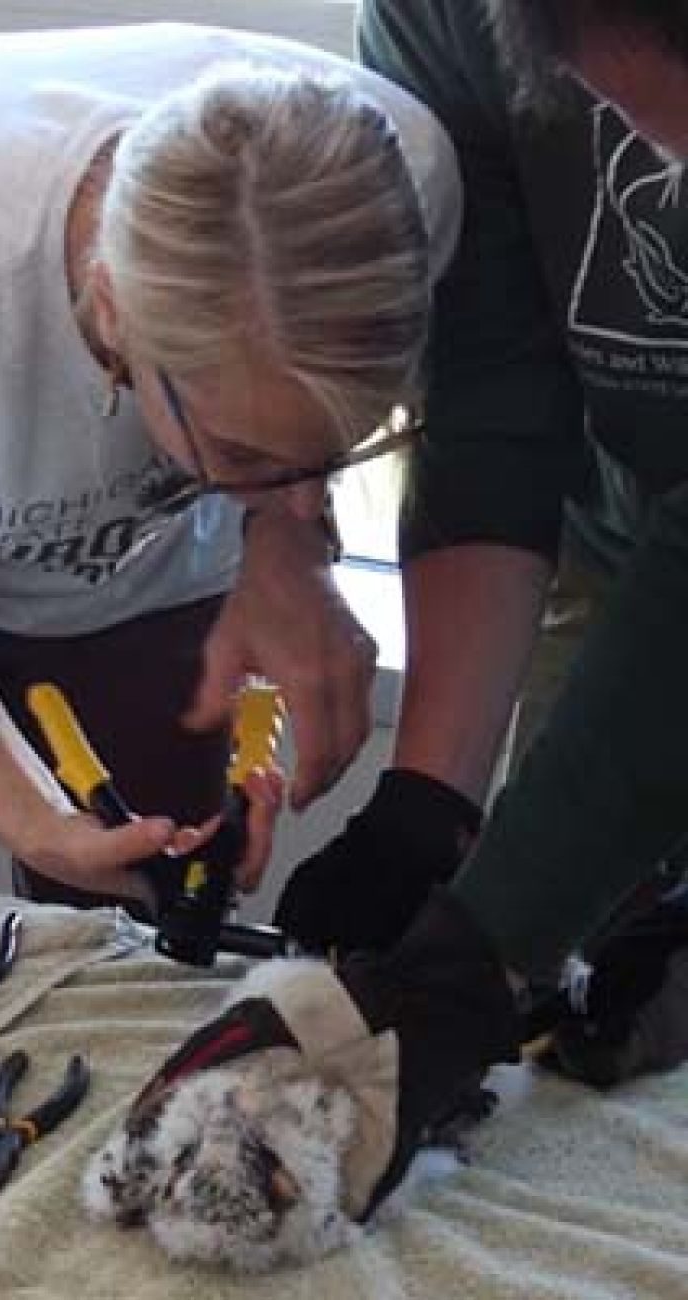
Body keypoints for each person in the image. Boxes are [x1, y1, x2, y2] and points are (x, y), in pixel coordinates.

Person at [0, 23, 460, 912]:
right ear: (112, 317)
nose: (299, 492)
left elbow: (293, 434)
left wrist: (291, 548)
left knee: (152, 917)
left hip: (147, 569)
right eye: (246, 454)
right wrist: (34, 822)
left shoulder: (401, 192)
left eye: (331, 453)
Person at [266, 0, 688, 1124]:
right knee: (583, 965)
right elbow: (493, 390)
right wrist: (429, 810)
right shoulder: (441, 14)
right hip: (618, 533)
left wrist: (483, 941)